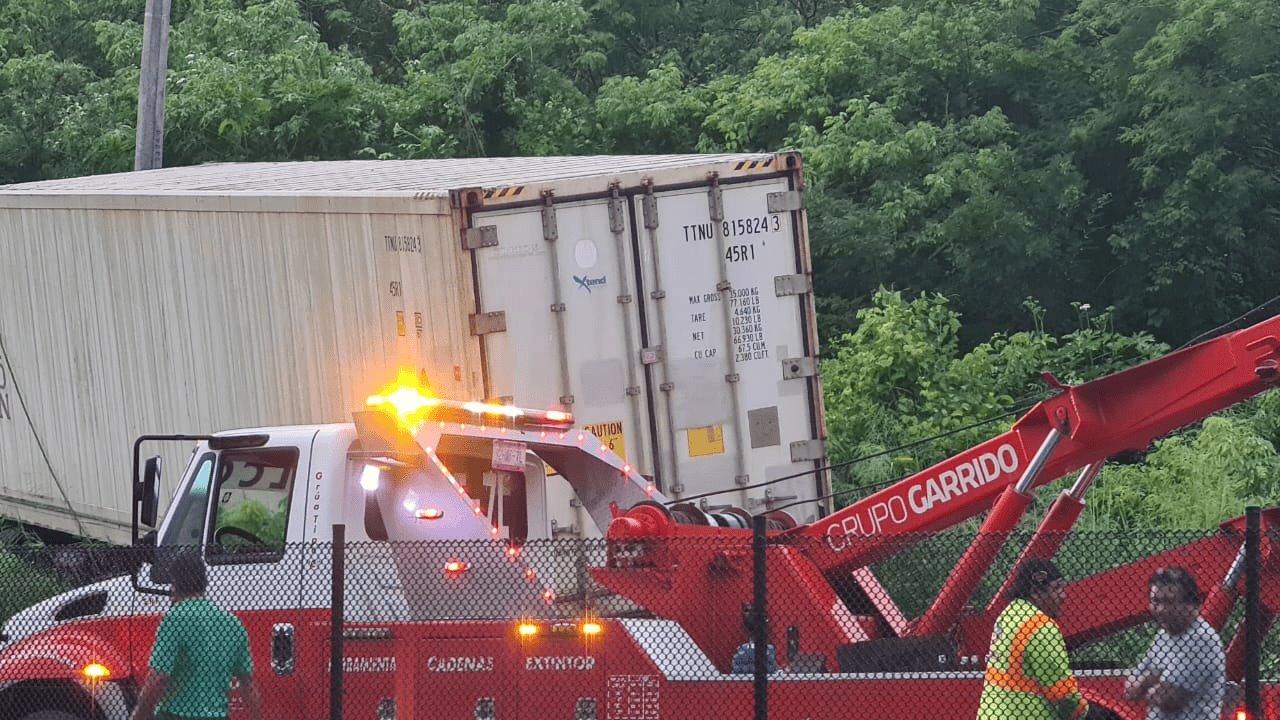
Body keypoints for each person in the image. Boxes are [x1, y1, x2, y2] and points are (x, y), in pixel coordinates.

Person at [130, 551, 262, 720]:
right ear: (204, 583)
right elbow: (248, 685)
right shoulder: (233, 624)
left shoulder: (175, 618)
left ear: (175, 584)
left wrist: (140, 714)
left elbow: (159, 679)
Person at [978, 559, 1090, 720]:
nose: (1063, 595)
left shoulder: (1009, 614)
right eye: (1057, 588)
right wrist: (1085, 713)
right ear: (1036, 592)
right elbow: (1063, 693)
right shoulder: (1041, 627)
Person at [1124, 567, 1225, 720]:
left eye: (1170, 601)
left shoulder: (1202, 639)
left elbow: (1169, 699)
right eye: (1156, 601)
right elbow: (1130, 690)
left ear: (1190, 604)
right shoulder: (1163, 636)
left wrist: (1148, 681)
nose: (1162, 609)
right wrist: (1154, 680)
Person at [731, 604, 778, 674]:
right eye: (747, 611)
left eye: (753, 611)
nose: (750, 614)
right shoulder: (742, 649)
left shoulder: (769, 649)